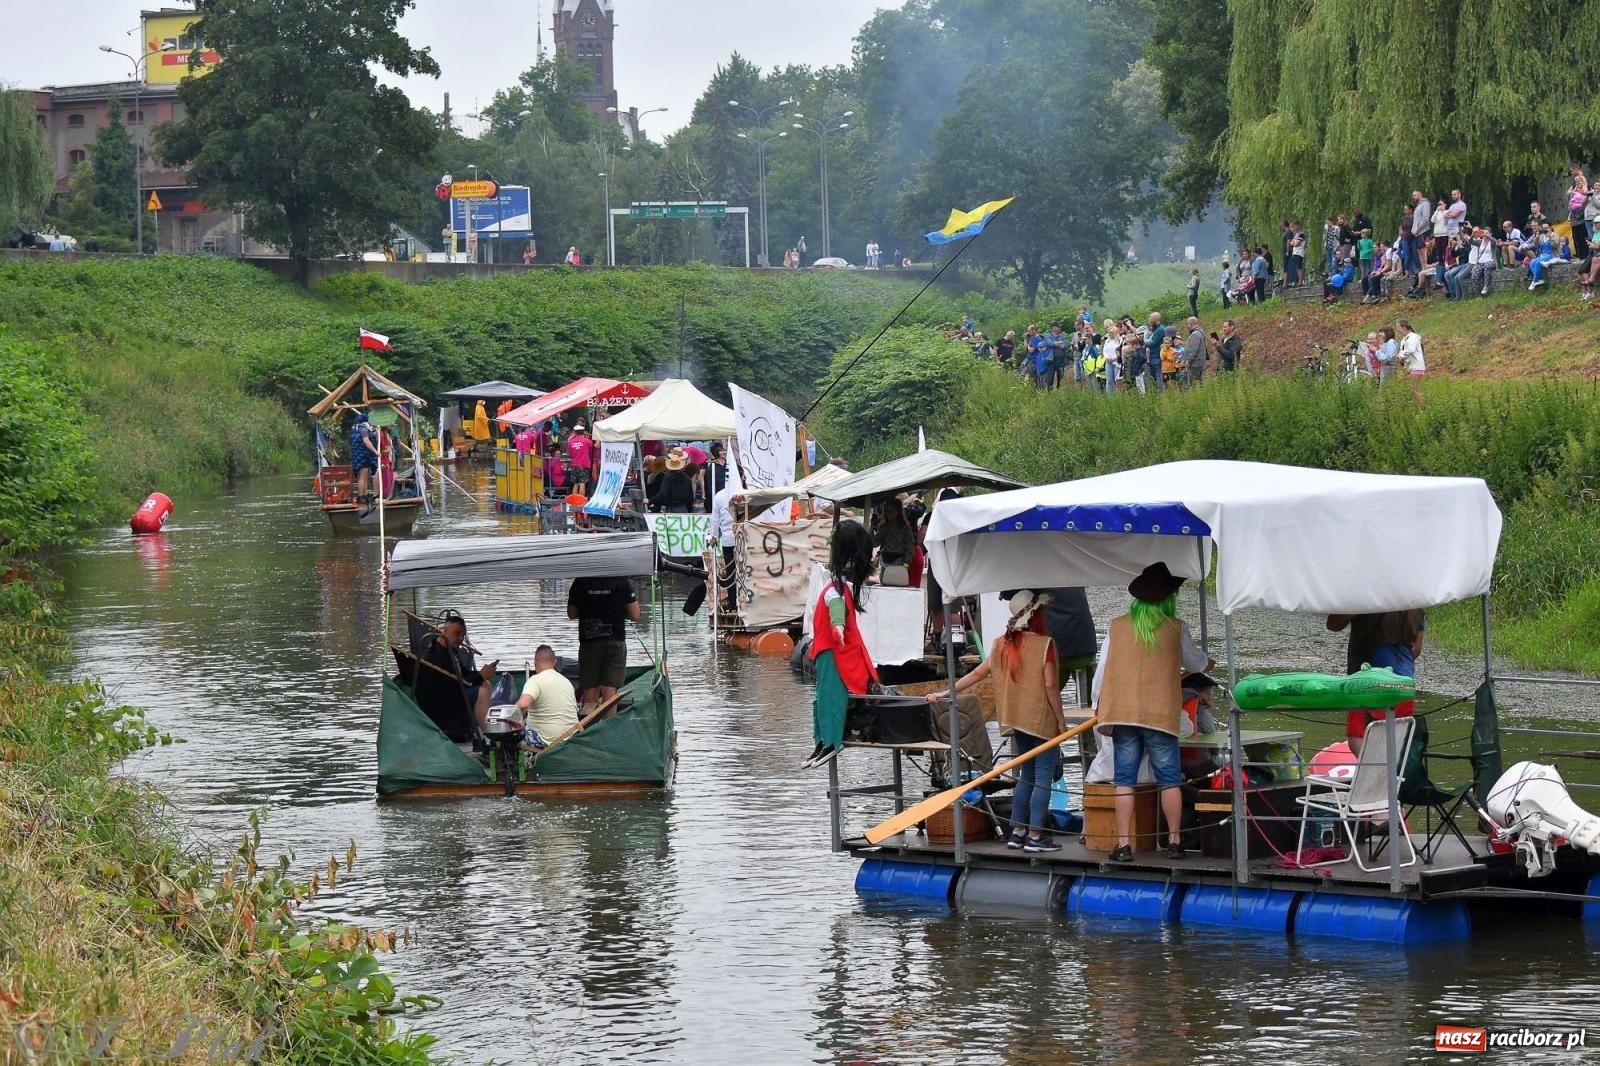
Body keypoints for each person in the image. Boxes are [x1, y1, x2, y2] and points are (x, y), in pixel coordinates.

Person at [930, 591, 1066, 851]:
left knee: (1026, 776)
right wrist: (1061, 723)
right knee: (1042, 778)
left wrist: (947, 692)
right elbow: (1050, 686)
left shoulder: (1000, 643)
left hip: (1015, 721)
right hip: (1041, 720)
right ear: (1036, 615)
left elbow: (978, 673)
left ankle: (1016, 832)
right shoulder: (1045, 643)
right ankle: (1036, 836)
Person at [1090, 562, 1208, 861]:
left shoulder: (1116, 626)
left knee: (1124, 779)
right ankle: (1174, 842)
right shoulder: (1176, 627)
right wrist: (1208, 664)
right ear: (1169, 597)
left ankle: (1124, 845)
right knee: (1169, 778)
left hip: (1123, 713)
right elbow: (1196, 664)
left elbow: (1103, 673)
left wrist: (1098, 704)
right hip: (1159, 715)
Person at [804, 519, 877, 769]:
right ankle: (824, 740)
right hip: (832, 653)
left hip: (837, 653)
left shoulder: (836, 589)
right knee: (823, 699)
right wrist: (837, 627)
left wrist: (838, 627)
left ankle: (831, 740)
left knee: (830, 698)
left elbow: (836, 611)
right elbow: (835, 610)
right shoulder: (835, 589)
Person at [1326, 611, 1425, 756]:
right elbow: (1417, 650)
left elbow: (1333, 624)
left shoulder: (1368, 595)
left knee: (1357, 738)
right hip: (1404, 684)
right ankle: (1388, 776)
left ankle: (1377, 774)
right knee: (1394, 742)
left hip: (1367, 682)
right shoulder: (1416, 603)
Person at [414, 613, 499, 747]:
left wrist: (482, 674)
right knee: (481, 691)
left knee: (485, 683)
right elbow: (456, 684)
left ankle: (483, 730)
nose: (460, 638)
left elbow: (464, 675)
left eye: (462, 635)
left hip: (454, 693)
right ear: (444, 631)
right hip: (443, 703)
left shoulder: (452, 650)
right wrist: (481, 675)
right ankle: (489, 739)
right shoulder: (437, 655)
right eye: (456, 634)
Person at [567, 575, 640, 706]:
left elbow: (571, 614)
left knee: (590, 686)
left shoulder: (580, 581)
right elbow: (635, 614)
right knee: (610, 686)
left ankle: (591, 724)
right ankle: (609, 723)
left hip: (589, 642)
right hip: (615, 640)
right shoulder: (622, 581)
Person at [516, 644, 579, 747]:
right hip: (571, 739)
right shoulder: (566, 682)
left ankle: (506, 762)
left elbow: (523, 705)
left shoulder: (535, 680)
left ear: (535, 663)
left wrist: (508, 718)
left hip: (546, 742)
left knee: (507, 735)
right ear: (554, 662)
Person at [707, 482, 742, 612]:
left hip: (729, 539)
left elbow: (715, 519)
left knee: (731, 571)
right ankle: (738, 602)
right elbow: (715, 519)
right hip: (740, 537)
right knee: (740, 571)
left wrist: (714, 536)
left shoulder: (720, 496)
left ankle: (734, 603)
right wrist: (714, 536)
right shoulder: (742, 493)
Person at [873, 497, 916, 567]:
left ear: (898, 511)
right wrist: (871, 530)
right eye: (886, 511)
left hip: (899, 560)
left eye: (891, 511)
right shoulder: (883, 526)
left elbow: (909, 546)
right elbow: (875, 543)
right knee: (884, 577)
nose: (888, 514)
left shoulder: (904, 526)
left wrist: (906, 564)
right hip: (885, 560)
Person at [348, 413, 380, 501]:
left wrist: (376, 430)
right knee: (363, 476)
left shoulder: (355, 429)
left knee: (364, 476)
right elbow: (366, 441)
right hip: (363, 455)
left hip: (357, 455)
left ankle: (364, 494)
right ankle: (361, 496)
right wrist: (375, 451)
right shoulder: (363, 430)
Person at [655, 448, 696, 513]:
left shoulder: (667, 477)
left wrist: (651, 501)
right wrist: (690, 510)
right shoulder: (687, 478)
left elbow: (663, 494)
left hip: (671, 508)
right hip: (684, 508)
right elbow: (690, 497)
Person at [1397, 318, 1425, 406]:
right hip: (1411, 366)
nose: (1397, 329)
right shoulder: (1405, 339)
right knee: (1413, 389)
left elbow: (1410, 350)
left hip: (1417, 366)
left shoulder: (1413, 337)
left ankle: (1423, 408)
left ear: (1404, 327)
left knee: (1413, 389)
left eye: (1398, 327)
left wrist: (1400, 355)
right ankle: (1419, 406)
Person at [565, 421, 593, 495]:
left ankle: (575, 502)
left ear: (575, 432)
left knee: (575, 484)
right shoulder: (587, 441)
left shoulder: (571, 442)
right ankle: (581, 501)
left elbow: (569, 453)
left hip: (574, 465)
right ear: (583, 432)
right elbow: (592, 449)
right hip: (583, 465)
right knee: (582, 483)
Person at [1142, 312, 1166, 393]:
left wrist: (1145, 342)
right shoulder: (1155, 329)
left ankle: (1160, 393)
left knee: (1158, 375)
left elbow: (1152, 343)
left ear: (1157, 320)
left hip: (1157, 356)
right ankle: (1155, 392)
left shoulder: (1160, 330)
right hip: (1152, 355)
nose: (1150, 322)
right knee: (1153, 376)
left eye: (1151, 320)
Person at [1185, 316, 1208, 386]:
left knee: (1193, 383)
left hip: (1195, 363)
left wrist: (1188, 360)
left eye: (1187, 324)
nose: (1187, 326)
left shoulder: (1195, 334)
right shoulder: (1200, 332)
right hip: (1200, 361)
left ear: (1192, 324)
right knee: (1200, 382)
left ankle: (1194, 395)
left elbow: (1193, 350)